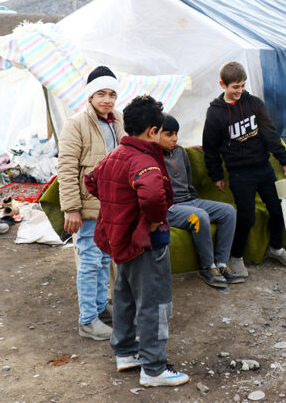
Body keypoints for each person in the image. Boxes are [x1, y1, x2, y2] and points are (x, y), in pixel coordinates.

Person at [84, 95, 189, 387]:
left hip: (120, 240)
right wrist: (153, 219)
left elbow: (91, 180)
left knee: (125, 296)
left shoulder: (115, 155)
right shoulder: (145, 162)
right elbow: (154, 195)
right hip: (146, 242)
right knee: (152, 302)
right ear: (153, 131)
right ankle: (153, 368)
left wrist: (118, 206)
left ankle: (126, 352)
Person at [202, 61, 286, 278]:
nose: (240, 91)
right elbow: (209, 148)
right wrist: (216, 175)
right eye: (235, 87)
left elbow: (270, 134)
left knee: (277, 209)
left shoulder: (254, 104)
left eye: (243, 86)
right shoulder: (215, 113)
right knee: (246, 217)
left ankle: (276, 248)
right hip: (239, 173)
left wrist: (284, 160)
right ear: (223, 85)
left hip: (263, 167)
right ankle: (236, 257)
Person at [58, 65, 123, 341]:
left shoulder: (117, 119)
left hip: (112, 203)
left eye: (111, 94)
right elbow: (67, 167)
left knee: (104, 257)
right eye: (101, 94)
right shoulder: (77, 124)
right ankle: (87, 320)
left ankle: (99, 308)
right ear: (90, 96)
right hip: (87, 205)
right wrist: (71, 208)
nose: (107, 100)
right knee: (90, 261)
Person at [159, 114, 243, 289]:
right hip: (169, 207)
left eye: (176, 133)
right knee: (200, 216)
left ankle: (220, 264)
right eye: (168, 134)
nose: (174, 138)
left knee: (228, 211)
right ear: (154, 133)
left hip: (190, 200)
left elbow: (188, 181)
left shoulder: (181, 152)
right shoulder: (150, 157)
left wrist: (193, 198)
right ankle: (207, 267)